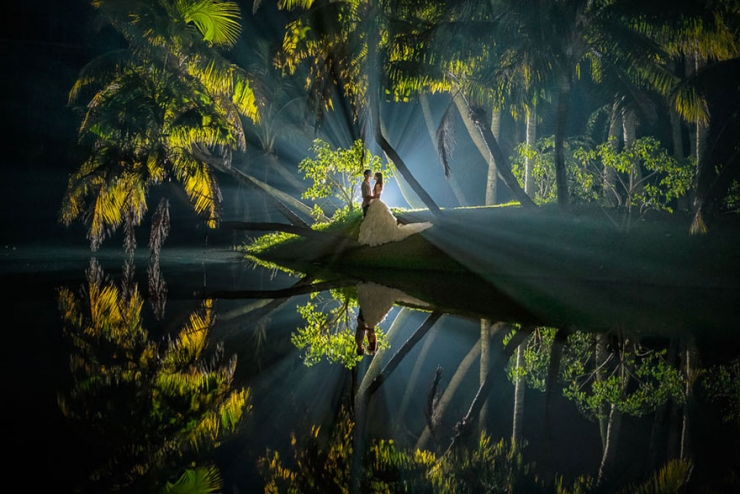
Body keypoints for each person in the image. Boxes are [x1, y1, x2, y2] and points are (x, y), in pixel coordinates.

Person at [358, 172, 433, 246]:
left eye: (375, 176)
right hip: (375, 202)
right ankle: (379, 232)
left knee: (376, 218)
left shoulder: (377, 185)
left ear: (377, 177)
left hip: (376, 202)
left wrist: (370, 197)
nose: (373, 176)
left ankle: (379, 233)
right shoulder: (378, 184)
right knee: (376, 219)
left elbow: (377, 196)